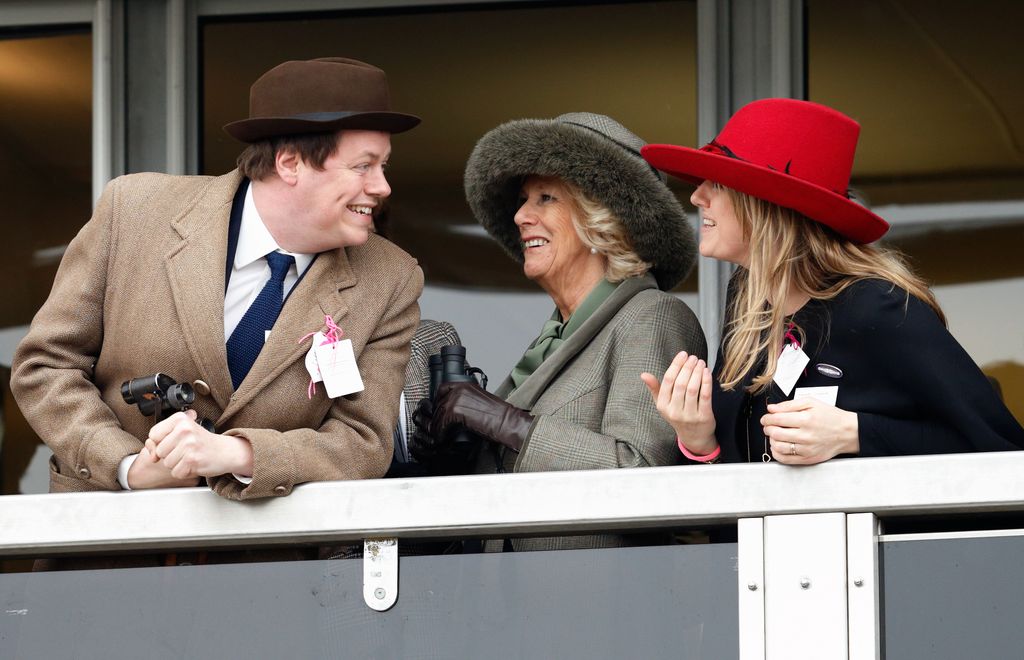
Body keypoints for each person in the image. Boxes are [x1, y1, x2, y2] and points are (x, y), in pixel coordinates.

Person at [11, 57, 424, 502]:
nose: (382, 186)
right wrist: (128, 466)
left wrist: (239, 454)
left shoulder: (392, 279)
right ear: (290, 163)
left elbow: (363, 442)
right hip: (107, 552)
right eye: (364, 166)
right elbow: (46, 366)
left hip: (266, 563)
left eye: (384, 166)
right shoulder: (133, 210)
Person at [639, 98, 1024, 465]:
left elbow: (1002, 447)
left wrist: (855, 433)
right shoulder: (747, 298)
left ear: (768, 205)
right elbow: (745, 479)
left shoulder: (877, 305)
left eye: (718, 183)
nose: (696, 196)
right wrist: (698, 439)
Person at [413, 113, 706, 551]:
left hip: (598, 605)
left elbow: (644, 475)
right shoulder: (553, 339)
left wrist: (505, 422)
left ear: (601, 222)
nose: (520, 215)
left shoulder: (652, 316)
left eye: (545, 198)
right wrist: (453, 446)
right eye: (523, 199)